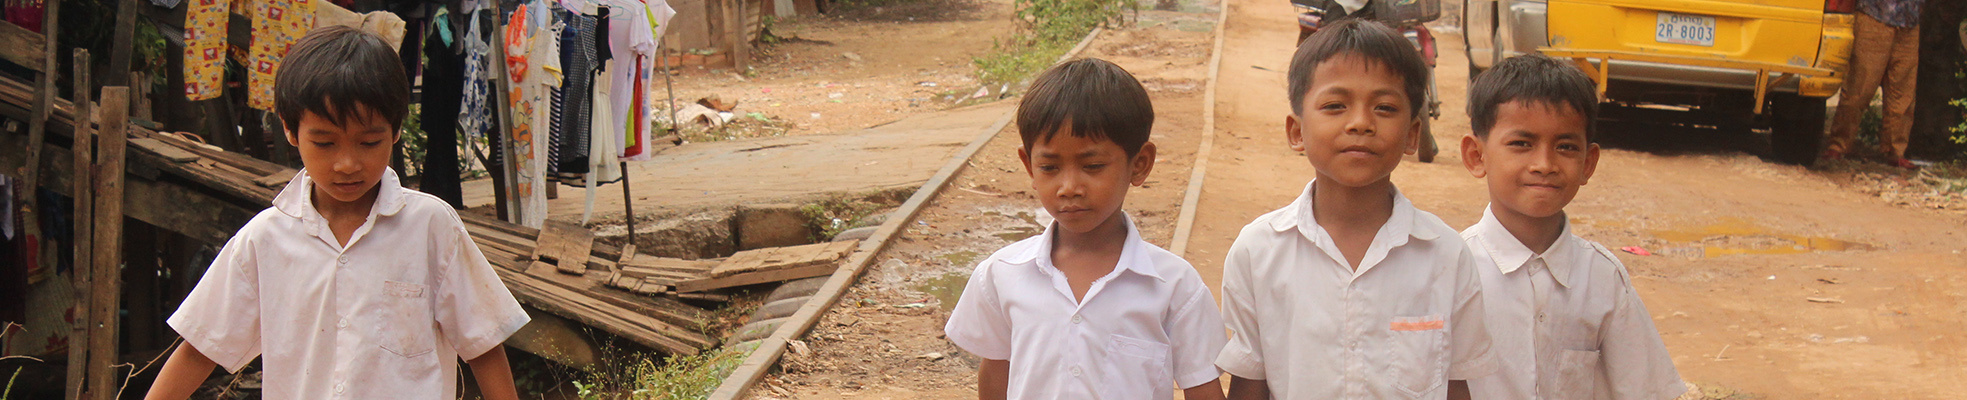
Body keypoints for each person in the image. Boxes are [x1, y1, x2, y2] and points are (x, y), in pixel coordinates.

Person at [143, 26, 530, 400]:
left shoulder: (431, 227)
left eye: (369, 142)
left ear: (395, 130)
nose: (347, 164)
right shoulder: (265, 240)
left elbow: (482, 342)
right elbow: (202, 347)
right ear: (292, 131)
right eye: (325, 143)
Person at [1216, 19, 1495, 400]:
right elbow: (1250, 383)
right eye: (1335, 106)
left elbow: (1456, 385)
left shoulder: (1446, 255)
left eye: (1384, 107)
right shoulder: (1258, 252)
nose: (1361, 123)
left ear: (1413, 135)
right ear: (1296, 131)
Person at [943, 58, 1228, 400]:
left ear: (1140, 164)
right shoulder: (1001, 276)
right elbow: (995, 376)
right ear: (1028, 166)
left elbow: (1204, 390)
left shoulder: (1175, 287)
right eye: (1049, 167)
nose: (1069, 187)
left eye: (1092, 166)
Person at [1457, 53, 1687, 400]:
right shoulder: (1453, 272)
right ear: (1477, 156)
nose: (1545, 164)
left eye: (1565, 146)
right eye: (1522, 143)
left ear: (1587, 163)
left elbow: (1644, 388)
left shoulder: (1602, 278)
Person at [1825, 0, 1925, 170]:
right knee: (1860, 87)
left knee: (1903, 93)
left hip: (1910, 23)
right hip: (1873, 18)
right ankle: (1838, 146)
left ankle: (1896, 152)